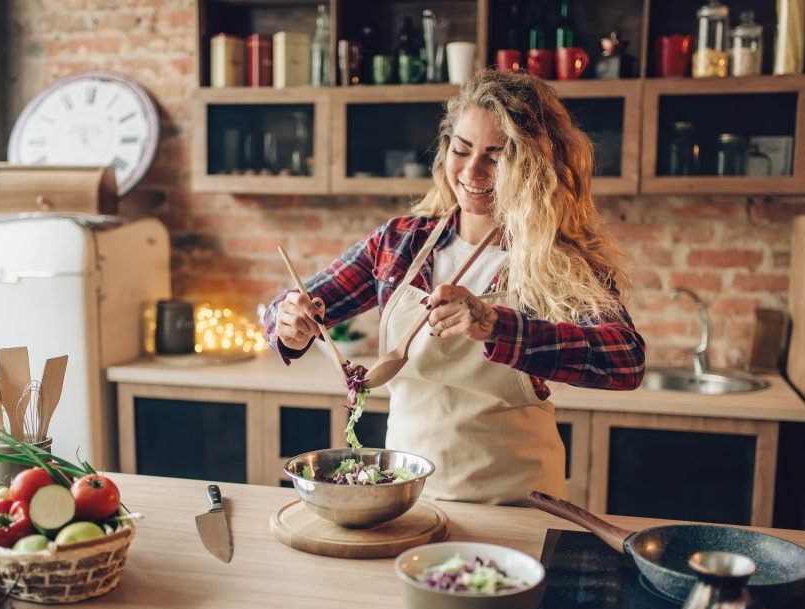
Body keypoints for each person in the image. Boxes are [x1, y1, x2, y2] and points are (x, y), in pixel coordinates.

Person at [264, 69, 645, 505]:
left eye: (495, 156)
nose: (471, 170)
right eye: (461, 150)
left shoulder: (556, 260)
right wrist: (289, 323)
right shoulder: (399, 243)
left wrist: (498, 328)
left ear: (533, 166)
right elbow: (289, 306)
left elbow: (625, 360)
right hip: (406, 495)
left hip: (516, 502)